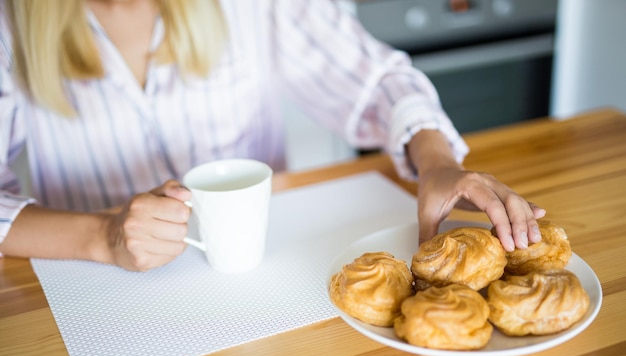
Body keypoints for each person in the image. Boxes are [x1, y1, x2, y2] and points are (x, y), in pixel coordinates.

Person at [0, 0, 545, 272]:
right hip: (93, 290)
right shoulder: (10, 26)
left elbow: (379, 80)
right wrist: (103, 237)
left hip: (270, 272)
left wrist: (437, 160)